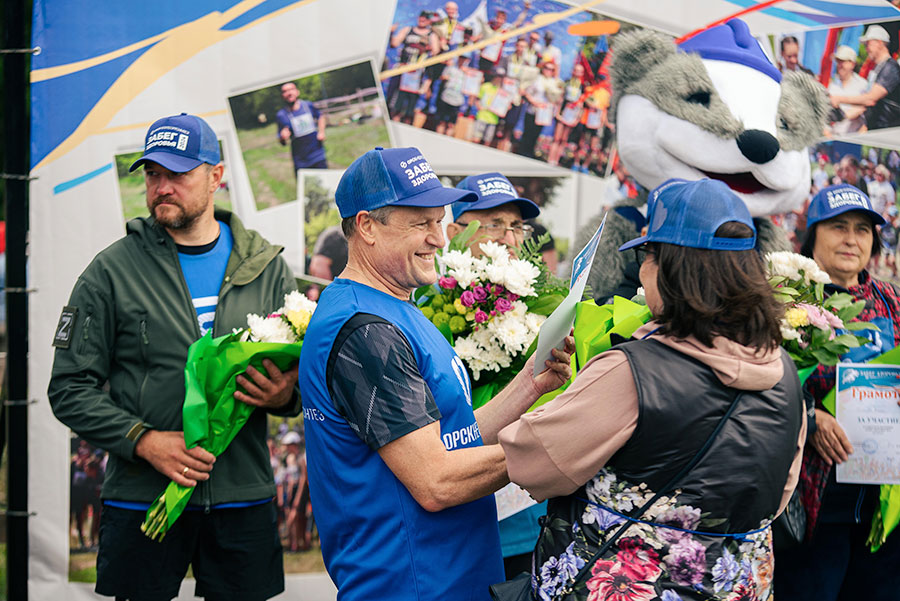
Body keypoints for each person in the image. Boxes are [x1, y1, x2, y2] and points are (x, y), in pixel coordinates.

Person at [499, 178, 806, 600]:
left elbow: (531, 464)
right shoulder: (785, 372)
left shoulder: (631, 371)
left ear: (670, 268)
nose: (640, 271)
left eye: (646, 256)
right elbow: (781, 490)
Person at [298, 146, 574, 600]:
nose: (440, 239)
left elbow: (453, 437)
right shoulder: (365, 330)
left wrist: (530, 383)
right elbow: (435, 480)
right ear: (367, 226)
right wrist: (551, 446)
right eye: (420, 223)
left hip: (450, 574)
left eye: (438, 219)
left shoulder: (395, 304)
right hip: (411, 581)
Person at [48, 113, 300, 601]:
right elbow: (68, 388)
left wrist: (285, 393)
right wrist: (143, 441)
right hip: (141, 499)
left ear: (216, 176)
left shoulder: (268, 267)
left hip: (241, 496)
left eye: (177, 174)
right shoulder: (110, 271)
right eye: (152, 174)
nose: (162, 187)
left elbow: (302, 378)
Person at [776, 184, 900, 600]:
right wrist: (809, 418)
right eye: (839, 227)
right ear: (812, 236)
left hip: (884, 510)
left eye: (863, 229)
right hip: (814, 505)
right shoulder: (787, 299)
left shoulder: (892, 301)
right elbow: (757, 384)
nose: (851, 239)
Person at [446, 172, 542, 576]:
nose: (508, 237)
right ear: (453, 232)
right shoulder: (431, 307)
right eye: (493, 224)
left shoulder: (543, 304)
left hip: (533, 518)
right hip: (461, 518)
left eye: (516, 226)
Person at [829, 25, 900, 130]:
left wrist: (839, 99)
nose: (866, 49)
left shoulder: (889, 68)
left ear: (879, 43)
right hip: (877, 128)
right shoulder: (878, 68)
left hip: (887, 129)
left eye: (868, 44)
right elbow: (867, 103)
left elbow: (870, 99)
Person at [276, 82, 328, 171]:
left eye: (291, 89)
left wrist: (321, 132)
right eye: (285, 91)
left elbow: (320, 117)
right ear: (282, 96)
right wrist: (283, 137)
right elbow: (282, 141)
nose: (289, 93)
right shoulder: (281, 115)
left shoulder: (308, 105)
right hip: (301, 162)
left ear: (297, 92)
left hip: (318, 156)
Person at [827, 45, 868, 135]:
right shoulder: (832, 86)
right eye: (838, 62)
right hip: (834, 138)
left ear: (852, 64)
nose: (840, 65)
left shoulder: (862, 85)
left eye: (843, 61)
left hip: (854, 138)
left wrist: (844, 115)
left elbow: (864, 108)